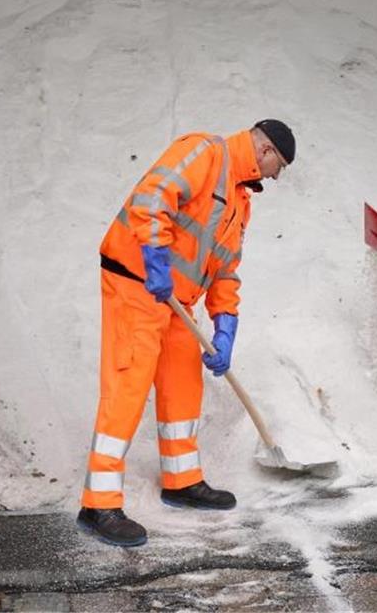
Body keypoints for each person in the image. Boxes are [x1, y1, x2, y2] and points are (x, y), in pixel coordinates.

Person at [77, 119, 295, 547]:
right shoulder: (205, 152)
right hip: (137, 282)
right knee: (129, 384)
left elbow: (226, 269)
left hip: (178, 301)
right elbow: (152, 197)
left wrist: (226, 324)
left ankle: (181, 480)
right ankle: (97, 504)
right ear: (266, 151)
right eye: (279, 166)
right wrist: (154, 256)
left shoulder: (239, 199)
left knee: (183, 383)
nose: (276, 176)